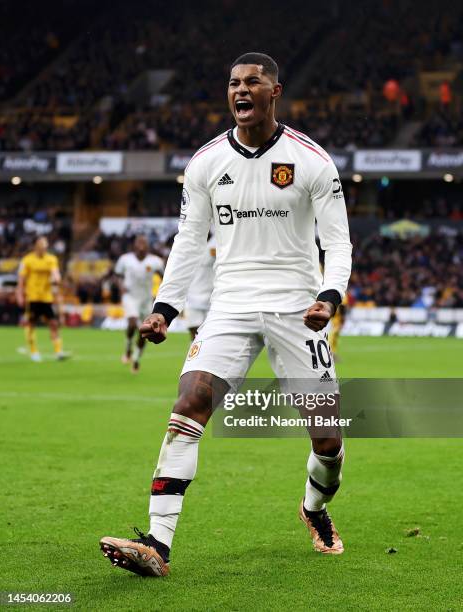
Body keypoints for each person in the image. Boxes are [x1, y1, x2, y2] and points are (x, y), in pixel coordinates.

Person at [100, 52, 352, 576]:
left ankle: (315, 508)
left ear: (273, 91)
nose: (241, 90)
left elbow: (338, 241)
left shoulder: (312, 161)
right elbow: (189, 243)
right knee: (190, 401)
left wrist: (329, 295)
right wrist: (165, 307)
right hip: (230, 305)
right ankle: (157, 543)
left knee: (327, 441)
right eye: (234, 83)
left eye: (252, 82)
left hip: (296, 307)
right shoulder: (206, 163)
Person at [115, 235, 164, 373]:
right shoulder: (125, 259)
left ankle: (136, 359)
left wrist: (159, 292)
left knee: (145, 331)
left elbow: (164, 277)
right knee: (132, 323)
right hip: (130, 296)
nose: (141, 245)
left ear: (148, 245)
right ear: (134, 245)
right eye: (139, 242)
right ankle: (128, 348)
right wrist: (121, 287)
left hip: (146, 299)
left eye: (144, 242)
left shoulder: (155, 261)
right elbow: (118, 275)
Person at [16, 236, 67, 361]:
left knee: (54, 324)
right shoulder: (27, 260)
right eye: (41, 243)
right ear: (35, 245)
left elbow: (55, 273)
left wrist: (57, 279)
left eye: (45, 243)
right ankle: (33, 351)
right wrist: (19, 294)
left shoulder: (51, 259)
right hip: (32, 297)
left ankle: (58, 351)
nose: (44, 245)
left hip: (46, 297)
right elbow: (21, 281)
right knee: (31, 324)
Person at [184, 234, 216, 339]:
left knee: (211, 335)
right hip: (192, 297)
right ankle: (196, 354)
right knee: (195, 334)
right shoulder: (187, 243)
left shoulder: (217, 241)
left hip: (212, 298)